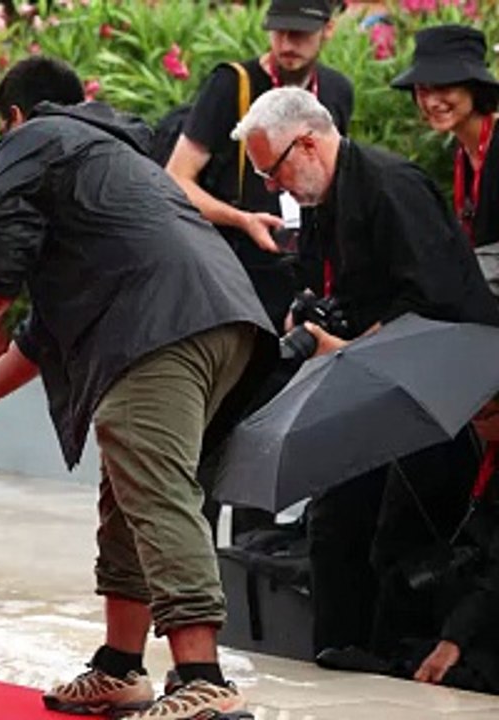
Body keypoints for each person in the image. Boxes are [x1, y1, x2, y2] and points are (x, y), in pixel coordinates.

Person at [0, 56, 276, 719]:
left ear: (14, 117)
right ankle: (120, 667)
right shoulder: (106, 163)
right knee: (129, 489)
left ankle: (203, 680)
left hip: (164, 328)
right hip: (219, 320)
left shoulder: (32, 140)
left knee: (155, 490)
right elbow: (47, 333)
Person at [230, 86, 499, 663]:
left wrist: (348, 345)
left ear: (306, 143)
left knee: (399, 535)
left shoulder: (391, 187)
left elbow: (433, 302)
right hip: (370, 373)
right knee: (333, 521)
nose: (272, 187)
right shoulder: (326, 196)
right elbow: (336, 287)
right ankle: (340, 653)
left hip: (439, 381)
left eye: (271, 172)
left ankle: (391, 660)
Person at [166, 0, 353, 328]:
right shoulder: (231, 84)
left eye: (300, 34)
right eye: (279, 32)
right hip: (237, 270)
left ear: (328, 30)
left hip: (305, 267)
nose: (286, 44)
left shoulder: (336, 89)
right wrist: (242, 220)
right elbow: (177, 178)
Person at [392, 24, 499, 249]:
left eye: (444, 88)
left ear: (475, 88)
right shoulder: (465, 149)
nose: (432, 102)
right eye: (423, 90)